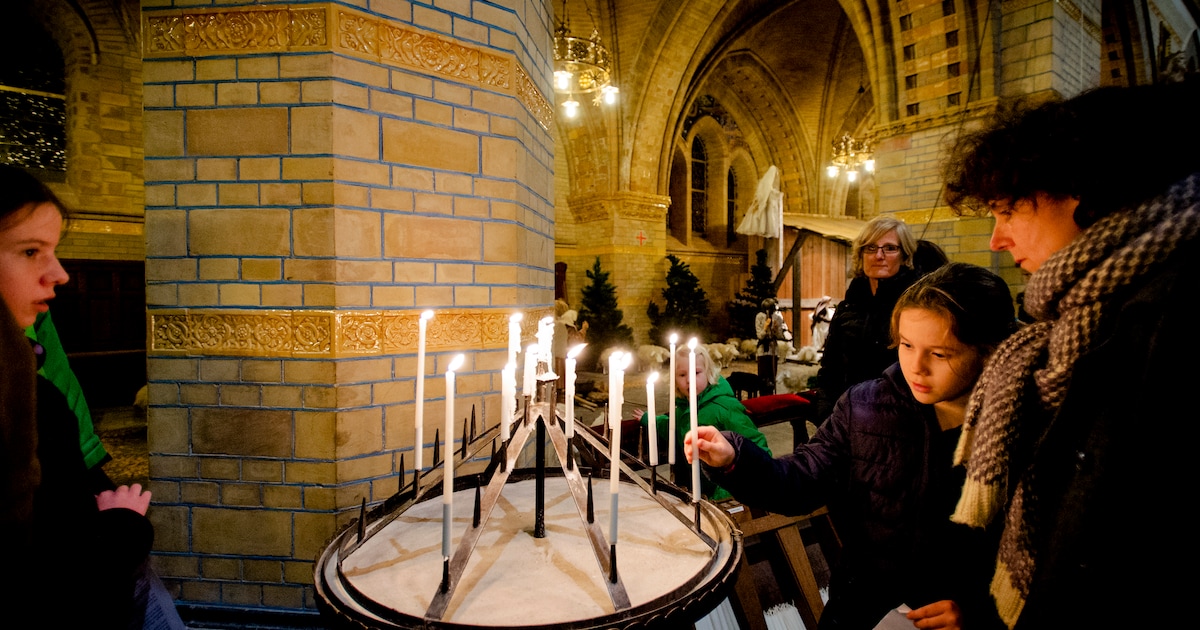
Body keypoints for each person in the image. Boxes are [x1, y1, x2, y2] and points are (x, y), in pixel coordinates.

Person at [941, 78, 1200, 629]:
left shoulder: (1167, 316)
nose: (996, 240)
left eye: (1007, 210)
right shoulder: (1075, 321)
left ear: (1082, 189)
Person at [687, 262, 1017, 630]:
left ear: (990, 352)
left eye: (940, 354)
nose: (916, 367)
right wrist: (734, 457)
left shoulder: (1023, 428)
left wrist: (983, 615)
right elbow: (799, 481)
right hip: (862, 610)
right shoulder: (865, 407)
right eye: (907, 345)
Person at [0, 164, 157, 627]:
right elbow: (46, 578)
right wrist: (122, 526)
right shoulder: (17, 394)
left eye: (54, 251)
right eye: (31, 251)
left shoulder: (25, 366)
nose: (61, 274)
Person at [814, 215, 919, 422]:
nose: (878, 255)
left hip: (896, 419)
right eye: (870, 248)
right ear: (860, 254)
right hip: (844, 418)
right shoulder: (848, 306)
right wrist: (825, 413)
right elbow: (830, 369)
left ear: (904, 255)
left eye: (889, 248)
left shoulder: (916, 306)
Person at [635, 343, 771, 501]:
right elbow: (672, 426)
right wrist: (649, 420)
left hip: (727, 496)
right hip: (699, 493)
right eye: (682, 375)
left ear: (709, 372)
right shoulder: (682, 409)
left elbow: (757, 446)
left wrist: (728, 492)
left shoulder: (723, 408)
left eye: (696, 372)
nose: (689, 380)